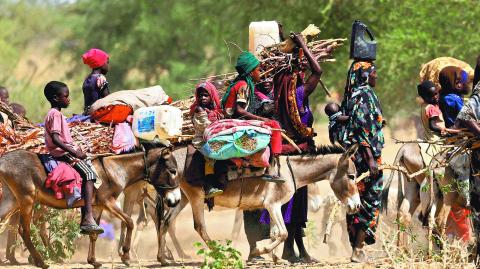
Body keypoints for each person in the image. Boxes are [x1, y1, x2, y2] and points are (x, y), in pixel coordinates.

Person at [43, 81, 103, 234]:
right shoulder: (55, 115)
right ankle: (88, 217)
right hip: (63, 154)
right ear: (56, 98)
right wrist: (74, 152)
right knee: (89, 174)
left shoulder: (55, 114)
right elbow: (56, 139)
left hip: (65, 151)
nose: (68, 99)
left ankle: (86, 217)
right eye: (66, 96)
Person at [339, 60, 384, 263]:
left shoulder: (352, 96)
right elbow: (362, 130)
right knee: (370, 201)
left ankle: (357, 247)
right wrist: (371, 159)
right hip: (366, 160)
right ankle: (358, 248)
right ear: (365, 76)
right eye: (373, 73)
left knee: (355, 202)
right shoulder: (365, 95)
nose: (376, 76)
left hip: (354, 159)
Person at [221, 51, 283, 182]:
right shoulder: (243, 85)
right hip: (234, 121)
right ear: (250, 72)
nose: (260, 73)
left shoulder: (241, 83)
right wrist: (261, 119)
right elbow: (239, 110)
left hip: (234, 119)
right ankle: (273, 166)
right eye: (258, 70)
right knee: (274, 126)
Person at [189, 81, 224, 198]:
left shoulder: (215, 109)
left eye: (206, 95)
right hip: (202, 139)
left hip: (214, 136)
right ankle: (209, 186)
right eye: (200, 96)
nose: (203, 98)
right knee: (210, 157)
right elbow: (206, 127)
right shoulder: (198, 109)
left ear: (212, 96)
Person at [82, 48, 110, 114]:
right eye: (107, 62)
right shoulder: (100, 78)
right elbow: (108, 98)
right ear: (101, 63)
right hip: (97, 112)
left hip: (87, 112)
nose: (108, 66)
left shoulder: (87, 78)